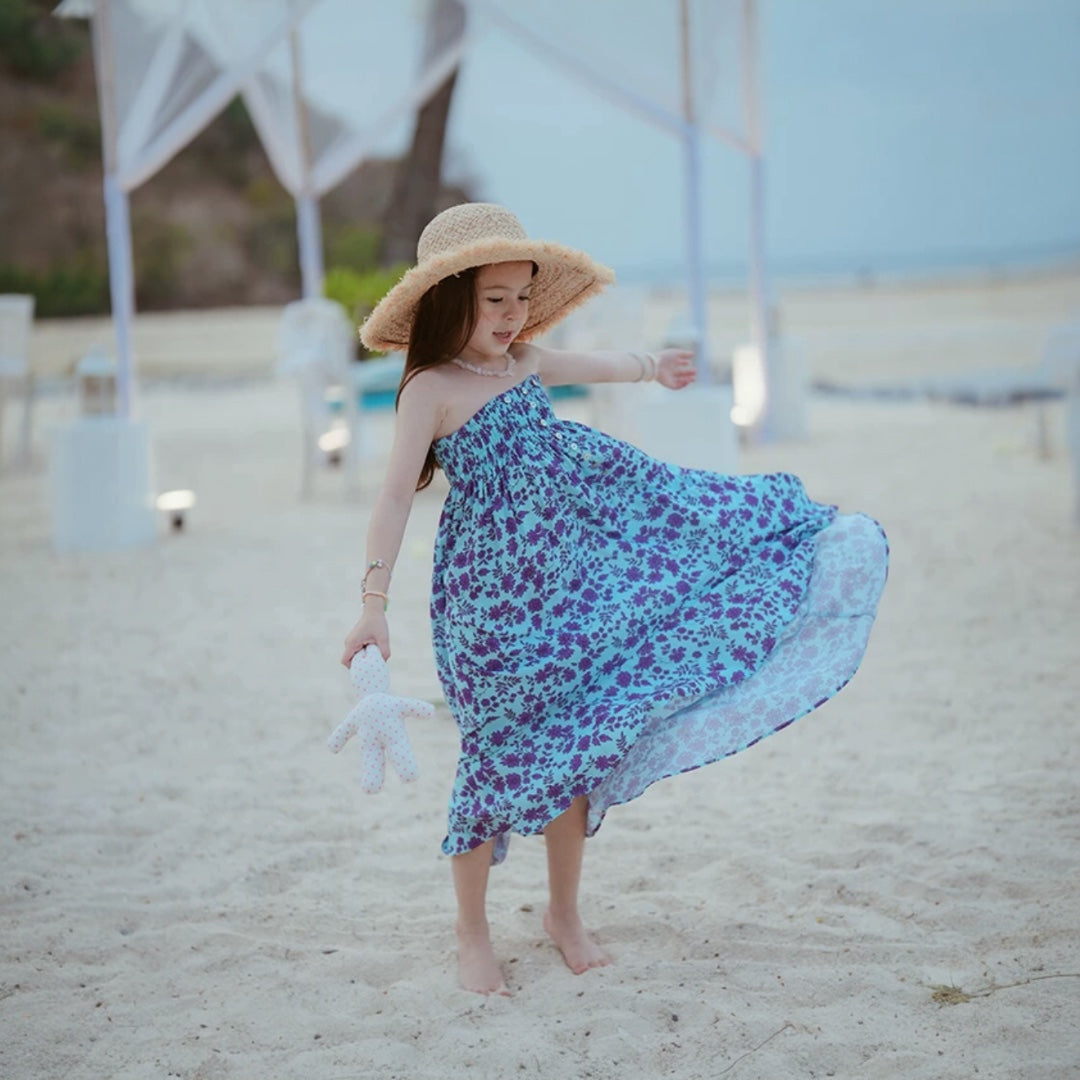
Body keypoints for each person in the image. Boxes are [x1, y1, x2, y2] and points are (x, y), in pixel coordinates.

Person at [341, 203, 888, 997]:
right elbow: (393, 497)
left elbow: (589, 365)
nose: (512, 315)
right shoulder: (430, 387)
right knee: (492, 759)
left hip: (571, 591)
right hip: (487, 611)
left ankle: (563, 912)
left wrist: (652, 366)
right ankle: (472, 931)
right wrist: (372, 602)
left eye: (521, 298)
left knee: (577, 747)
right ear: (449, 297)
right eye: (494, 298)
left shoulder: (523, 362)